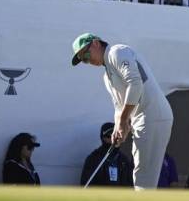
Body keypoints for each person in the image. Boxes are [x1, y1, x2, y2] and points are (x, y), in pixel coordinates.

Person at [71, 33, 173, 189]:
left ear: (96, 43)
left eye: (86, 54)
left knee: (143, 174)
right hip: (143, 117)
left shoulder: (116, 52)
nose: (86, 60)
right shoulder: (107, 76)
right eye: (83, 60)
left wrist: (124, 120)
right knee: (141, 171)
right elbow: (119, 107)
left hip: (152, 114)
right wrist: (119, 128)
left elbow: (136, 85)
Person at [79, 122, 134, 187]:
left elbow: (130, 184)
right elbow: (85, 184)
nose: (112, 139)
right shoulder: (93, 159)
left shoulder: (124, 160)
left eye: (115, 136)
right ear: (102, 138)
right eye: (108, 136)